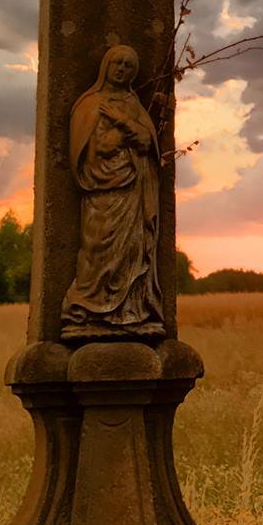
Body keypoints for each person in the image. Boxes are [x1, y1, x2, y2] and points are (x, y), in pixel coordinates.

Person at [62, 45, 163, 337]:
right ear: (106, 65)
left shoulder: (132, 105)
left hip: (133, 189)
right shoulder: (90, 104)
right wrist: (123, 138)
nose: (121, 69)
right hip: (102, 188)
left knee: (133, 248)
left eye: (128, 65)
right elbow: (95, 150)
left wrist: (122, 123)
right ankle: (85, 310)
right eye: (117, 63)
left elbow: (146, 142)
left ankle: (130, 311)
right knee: (97, 248)